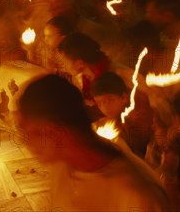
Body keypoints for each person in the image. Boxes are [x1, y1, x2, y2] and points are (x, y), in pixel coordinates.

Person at [16, 74, 170, 211]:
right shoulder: (62, 167)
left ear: (56, 132)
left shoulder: (138, 196)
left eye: (32, 133)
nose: (26, 142)